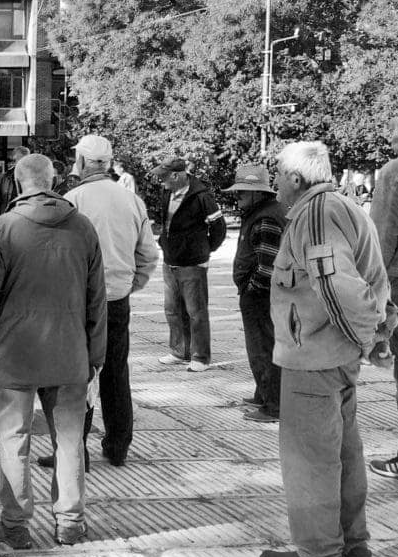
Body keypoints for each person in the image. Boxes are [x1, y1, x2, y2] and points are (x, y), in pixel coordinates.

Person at [260, 141, 396, 557]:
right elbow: (375, 279)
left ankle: (320, 556)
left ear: (296, 179)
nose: (274, 180)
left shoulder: (317, 215)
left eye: (277, 173)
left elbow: (338, 285)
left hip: (316, 358)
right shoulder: (344, 207)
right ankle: (353, 549)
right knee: (343, 454)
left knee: (311, 460)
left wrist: (363, 337)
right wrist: (374, 337)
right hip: (333, 357)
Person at [0, 154, 106, 549]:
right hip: (69, 354)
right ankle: (69, 522)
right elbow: (97, 300)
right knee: (69, 440)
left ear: (17, 183)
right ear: (54, 180)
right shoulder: (82, 227)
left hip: (15, 352)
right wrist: (93, 356)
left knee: (14, 439)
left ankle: (14, 525)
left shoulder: (5, 227)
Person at [55, 135, 158, 468]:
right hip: (116, 298)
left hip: (81, 300)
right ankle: (117, 447)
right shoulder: (131, 201)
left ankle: (74, 452)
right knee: (116, 372)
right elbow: (148, 253)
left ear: (82, 162)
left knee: (77, 374)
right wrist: (130, 284)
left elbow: (60, 255)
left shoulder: (72, 200)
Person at [369, 110, 398, 484]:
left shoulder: (397, 171)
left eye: (396, 136)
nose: (392, 144)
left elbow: (381, 238)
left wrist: (374, 292)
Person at [223, 164, 286, 423]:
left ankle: (273, 406)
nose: (236, 198)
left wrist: (251, 288)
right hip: (258, 294)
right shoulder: (261, 213)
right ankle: (263, 394)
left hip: (261, 296)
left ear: (256, 194)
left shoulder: (266, 218)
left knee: (264, 348)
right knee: (258, 347)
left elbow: (267, 265)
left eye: (241, 193)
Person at [153, 157, 226, 372]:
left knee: (196, 312)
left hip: (193, 263)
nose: (161, 181)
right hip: (171, 261)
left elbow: (219, 227)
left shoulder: (202, 196)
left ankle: (200, 357)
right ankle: (179, 351)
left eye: (163, 177)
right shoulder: (168, 192)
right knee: (172, 309)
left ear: (175, 175)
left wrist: (204, 250)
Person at [0, 146, 30, 215]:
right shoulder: (4, 178)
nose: (21, 162)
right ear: (14, 159)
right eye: (18, 159)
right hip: (8, 216)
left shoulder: (33, 178)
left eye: (24, 159)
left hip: (24, 217)